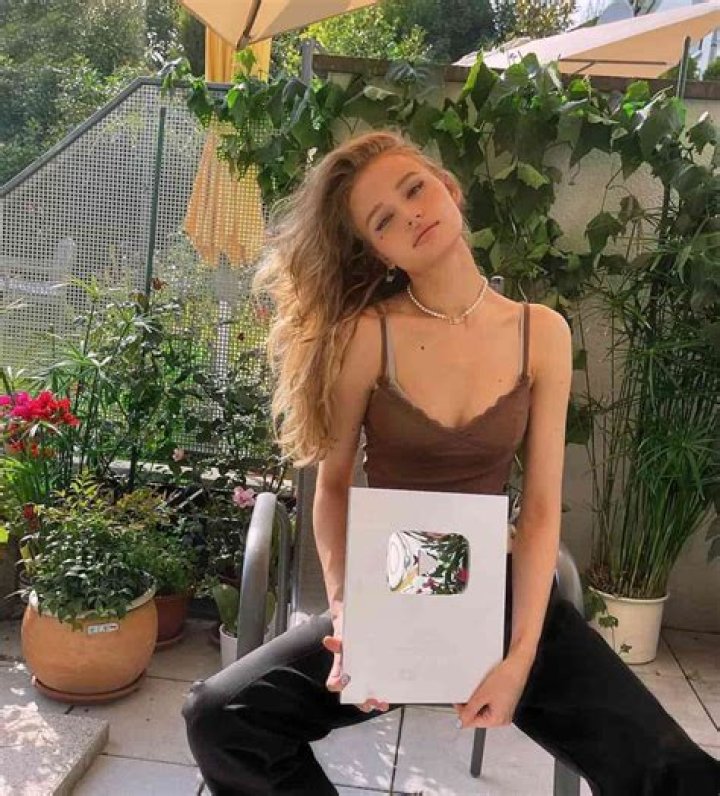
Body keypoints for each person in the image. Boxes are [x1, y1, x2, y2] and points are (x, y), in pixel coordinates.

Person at [182, 130, 720, 795]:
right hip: (394, 587)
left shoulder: (541, 333)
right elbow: (334, 488)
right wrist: (350, 614)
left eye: (414, 188)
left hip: (499, 589)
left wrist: (520, 659)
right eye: (383, 220)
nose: (410, 214)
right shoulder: (367, 336)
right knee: (221, 717)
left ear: (448, 187)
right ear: (376, 251)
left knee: (676, 773)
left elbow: (541, 509)